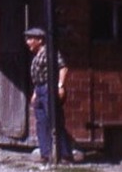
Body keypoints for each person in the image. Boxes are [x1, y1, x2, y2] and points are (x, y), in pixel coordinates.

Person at [26, 27, 81, 162]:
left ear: (39, 40)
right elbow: (37, 76)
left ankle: (65, 154)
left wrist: (60, 85)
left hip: (49, 88)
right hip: (40, 89)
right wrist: (35, 93)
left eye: (30, 39)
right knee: (41, 122)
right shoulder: (36, 56)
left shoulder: (50, 53)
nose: (27, 42)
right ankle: (46, 153)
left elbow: (63, 67)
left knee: (54, 120)